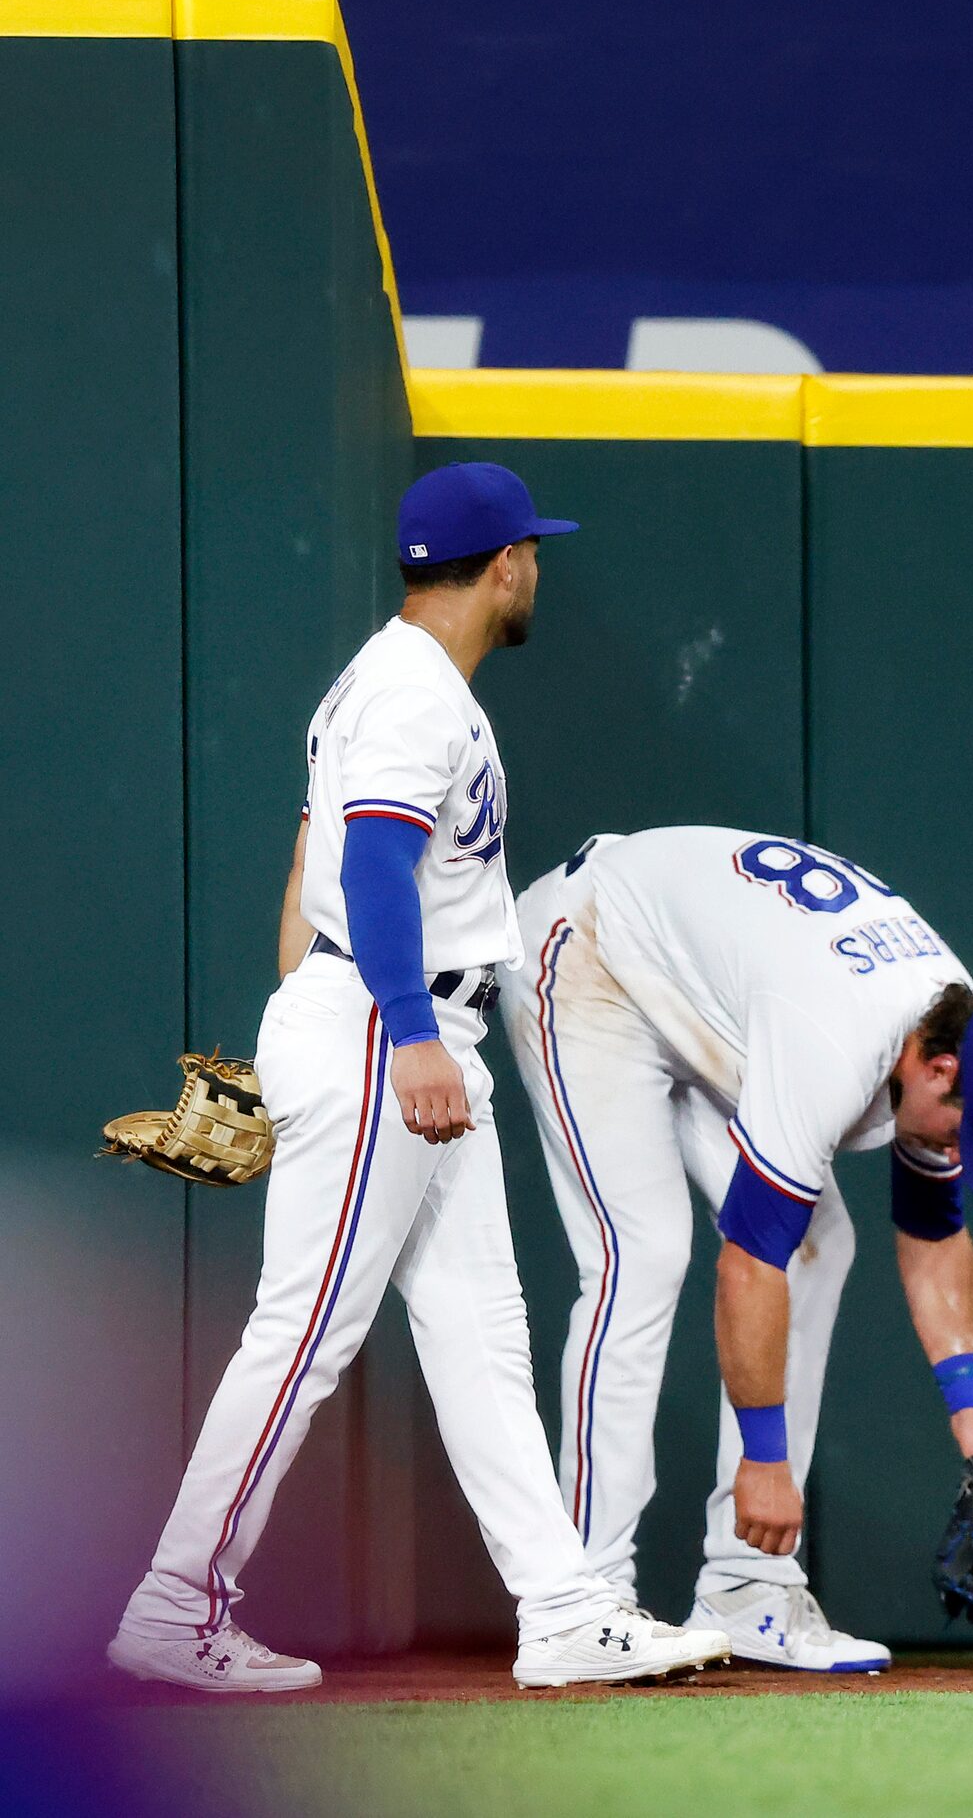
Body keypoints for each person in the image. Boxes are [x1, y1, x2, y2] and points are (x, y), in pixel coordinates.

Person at [108, 468, 730, 1693]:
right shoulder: (412, 694)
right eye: (532, 553)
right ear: (503, 565)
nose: (537, 570)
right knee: (302, 1334)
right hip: (393, 1034)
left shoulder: (387, 677)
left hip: (382, 1024)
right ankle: (175, 1605)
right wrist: (391, 1033)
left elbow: (314, 857)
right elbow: (374, 871)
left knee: (483, 1334)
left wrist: (301, 1025)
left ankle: (560, 1609)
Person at [500, 826, 973, 1671]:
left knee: (818, 1243)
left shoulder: (946, 1040)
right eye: (966, 1131)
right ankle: (584, 1598)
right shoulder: (842, 1040)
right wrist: (762, 1461)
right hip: (594, 948)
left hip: (709, 994)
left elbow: (932, 1235)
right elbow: (746, 1263)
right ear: (941, 1071)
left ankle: (750, 1588)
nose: (959, 1151)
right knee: (641, 1255)